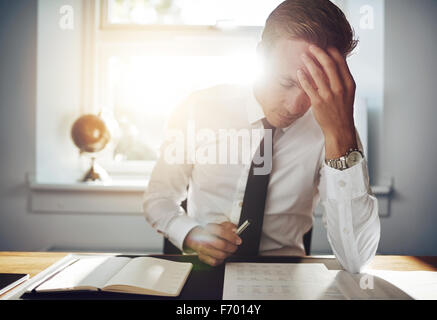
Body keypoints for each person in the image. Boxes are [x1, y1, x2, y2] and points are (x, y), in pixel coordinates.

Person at [143, 0, 380, 273]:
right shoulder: (197, 109)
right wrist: (189, 232)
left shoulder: (336, 133)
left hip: (286, 278)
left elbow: (356, 259)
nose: (296, 106)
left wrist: (340, 135)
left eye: (314, 86)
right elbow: (158, 198)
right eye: (286, 83)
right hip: (202, 270)